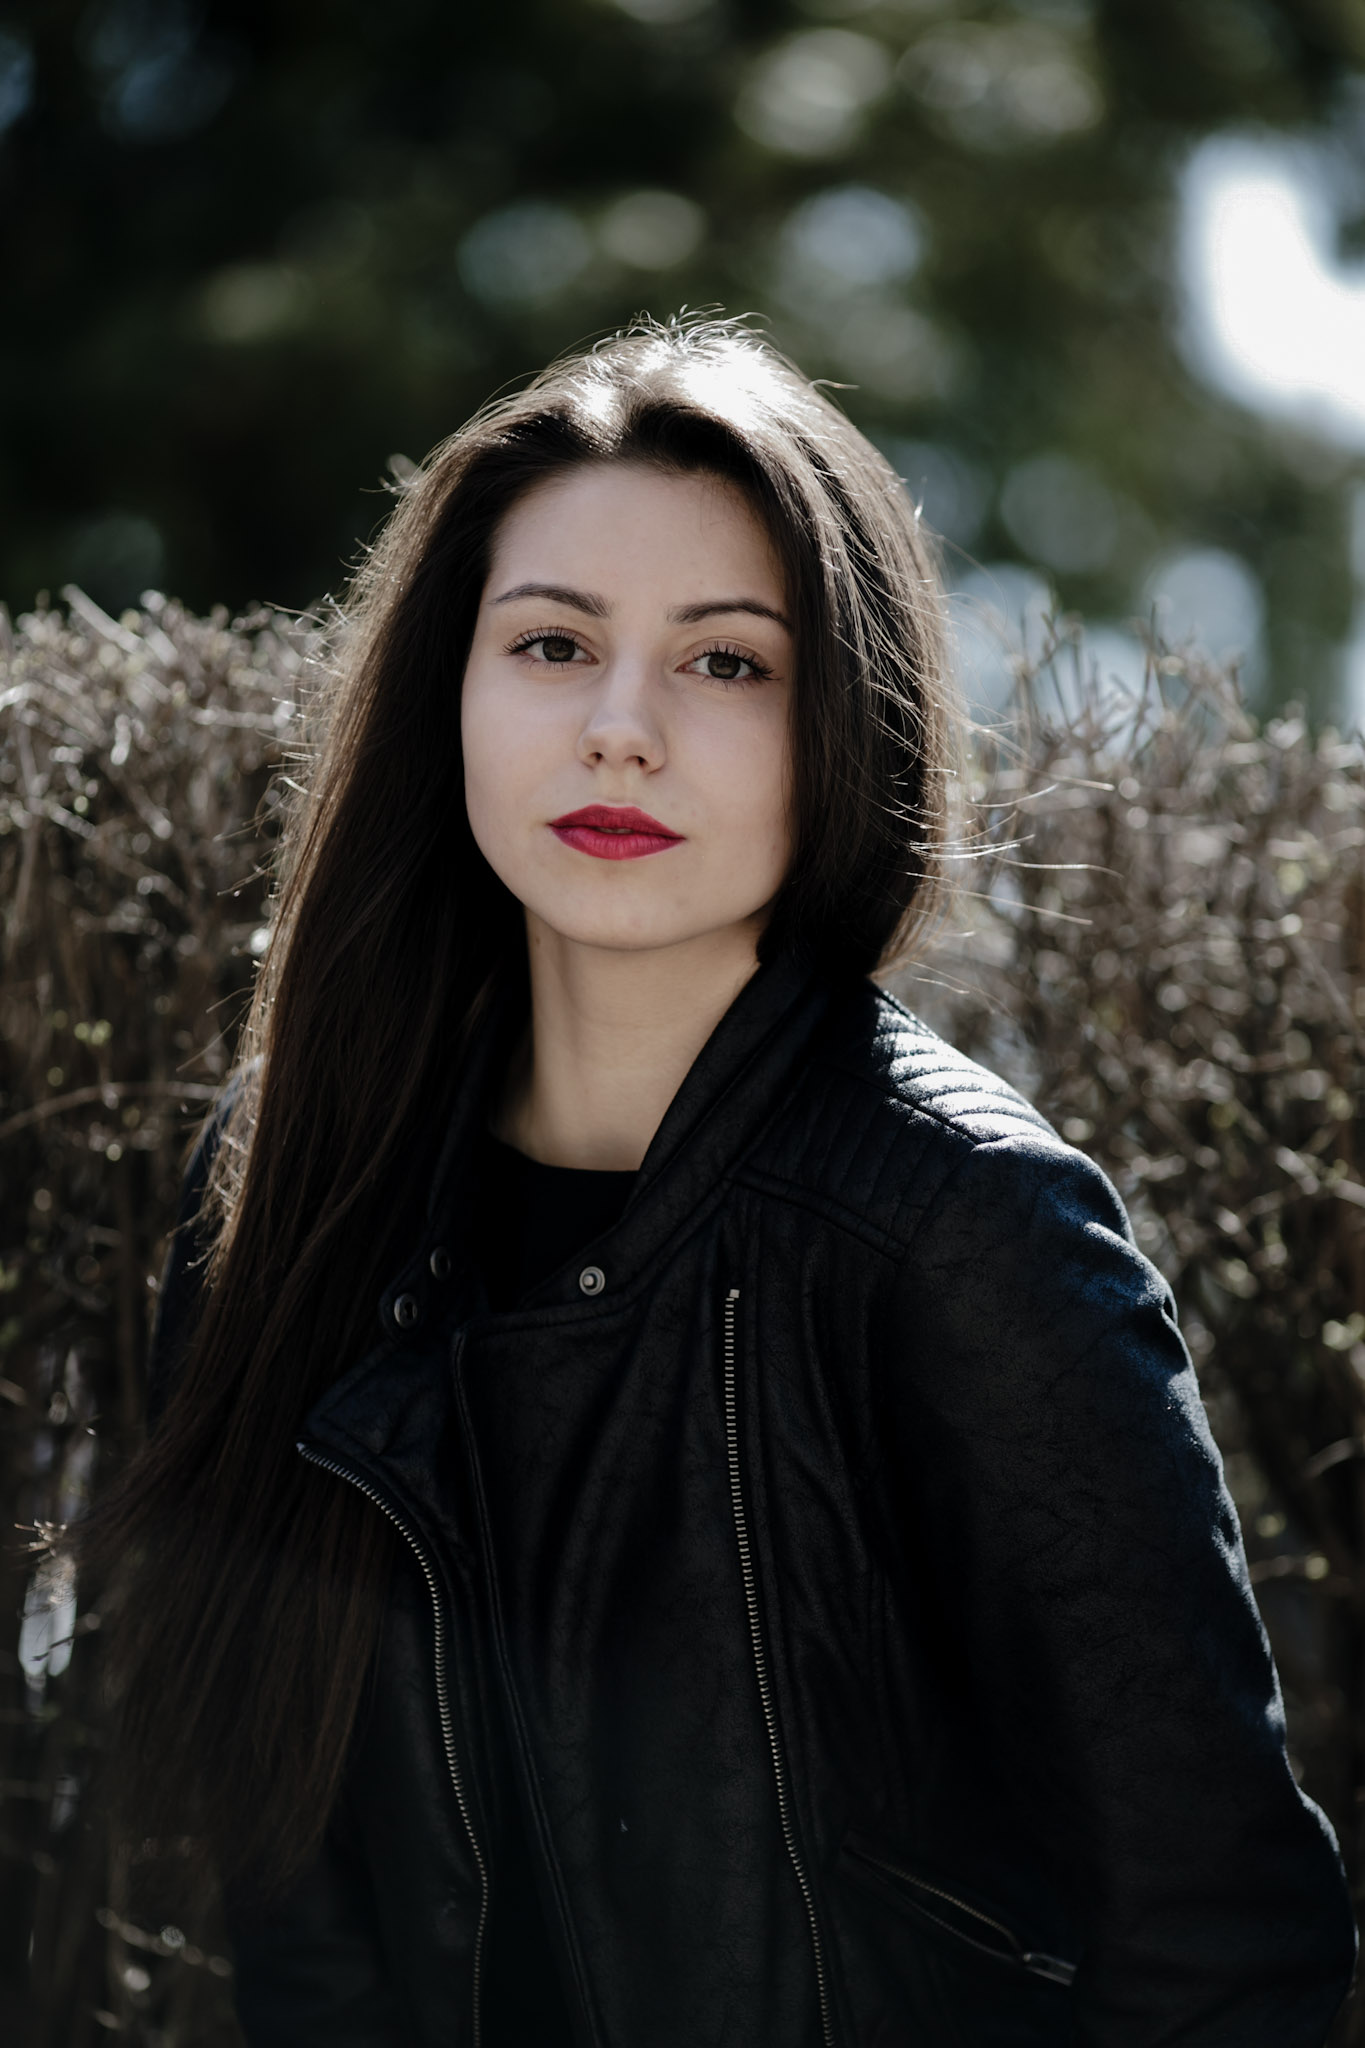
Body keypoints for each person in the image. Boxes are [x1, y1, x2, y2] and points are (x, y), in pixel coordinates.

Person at [89, 318, 1353, 2046]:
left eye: (726, 663)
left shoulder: (966, 1229)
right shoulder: (290, 1189)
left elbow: (1224, 1951)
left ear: (846, 725)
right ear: (449, 691)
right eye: (552, 644)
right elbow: (300, 1922)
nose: (621, 730)